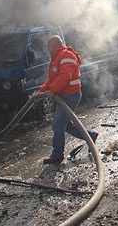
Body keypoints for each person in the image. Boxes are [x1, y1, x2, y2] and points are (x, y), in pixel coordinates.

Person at [34, 35, 98, 165]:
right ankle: (90, 136)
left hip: (70, 95)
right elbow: (52, 79)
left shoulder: (66, 56)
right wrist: (41, 91)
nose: (48, 49)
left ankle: (57, 154)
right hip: (64, 96)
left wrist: (52, 90)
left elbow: (65, 76)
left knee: (57, 124)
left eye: (49, 46)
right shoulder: (57, 57)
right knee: (66, 125)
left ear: (53, 45)